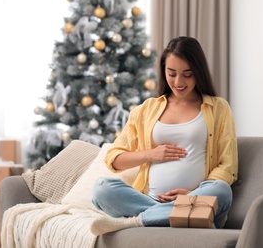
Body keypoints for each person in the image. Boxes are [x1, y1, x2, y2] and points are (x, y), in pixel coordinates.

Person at [90, 36, 238, 235]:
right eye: (172, 73)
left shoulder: (218, 108)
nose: (179, 82)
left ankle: (137, 222)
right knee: (102, 189)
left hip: (197, 200)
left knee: (221, 190)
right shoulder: (146, 110)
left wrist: (192, 196)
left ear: (199, 72)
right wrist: (150, 155)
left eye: (187, 74)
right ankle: (177, 218)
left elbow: (228, 166)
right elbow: (114, 159)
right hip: (150, 199)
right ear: (163, 71)